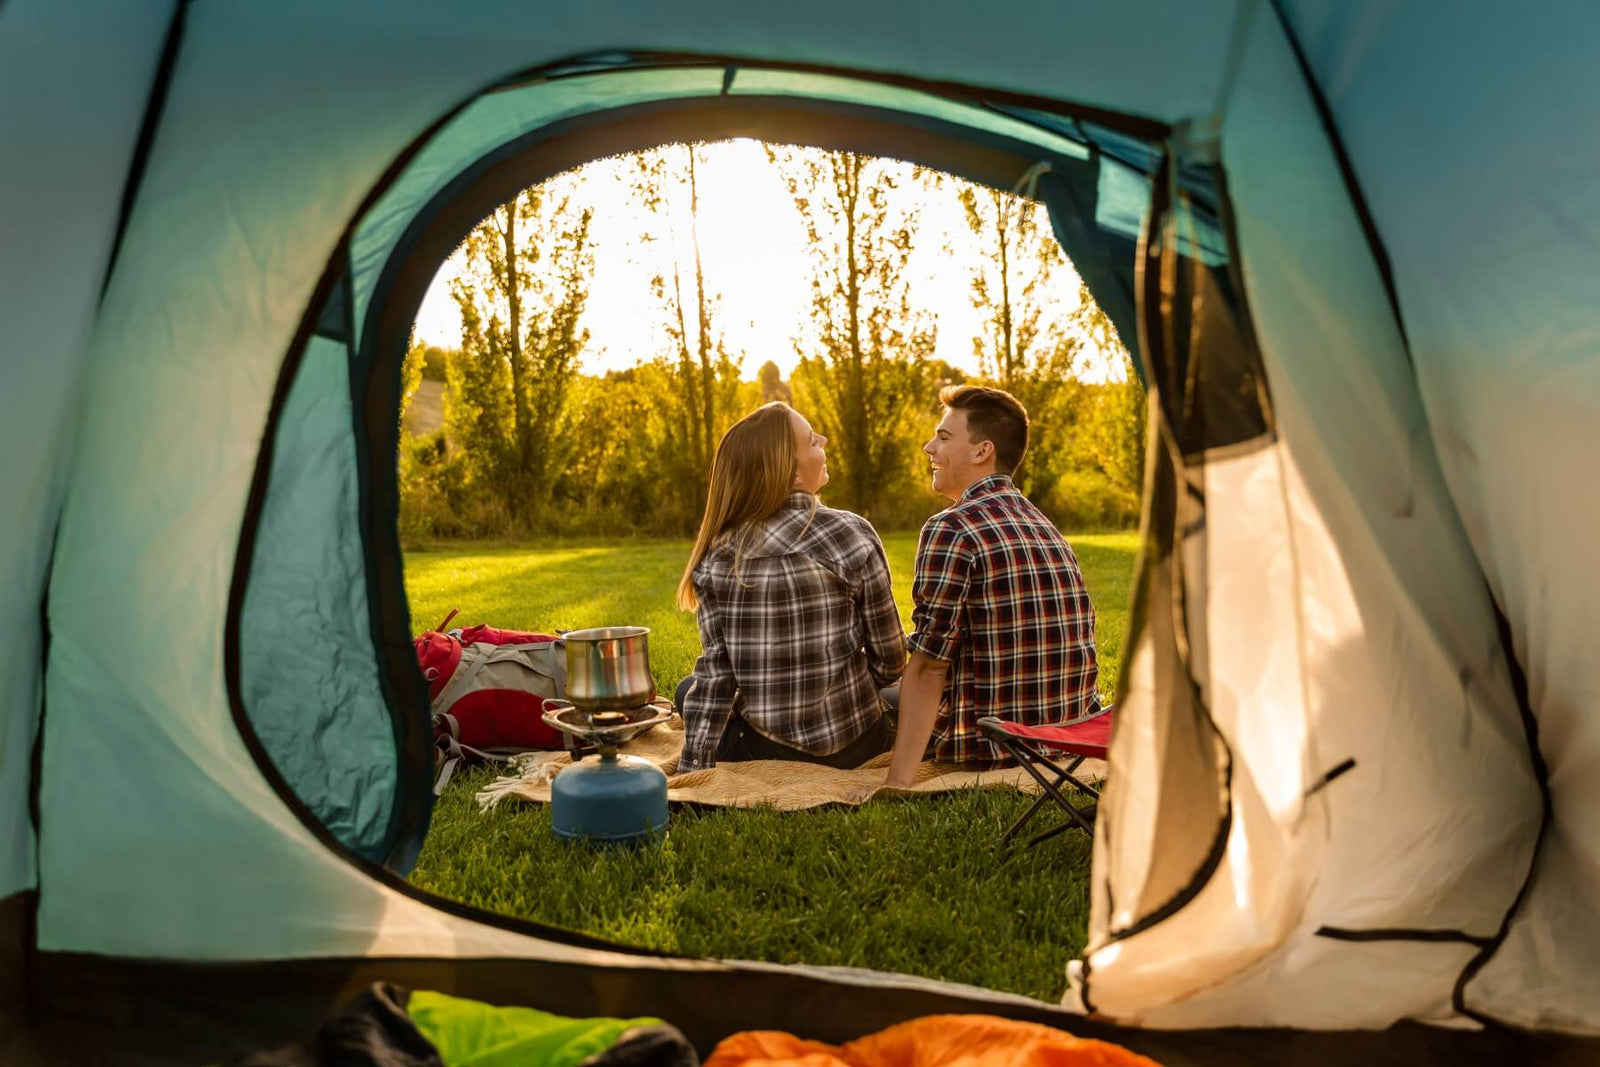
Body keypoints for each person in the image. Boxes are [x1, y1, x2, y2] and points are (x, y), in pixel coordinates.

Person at [879, 385, 1099, 787]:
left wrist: (895, 782)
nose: (929, 447)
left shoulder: (952, 526)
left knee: (877, 695)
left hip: (988, 744)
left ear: (982, 451)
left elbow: (930, 667)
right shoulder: (1043, 525)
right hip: (1061, 738)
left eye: (944, 437)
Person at [674, 402, 906, 771]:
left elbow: (717, 678)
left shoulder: (719, 553)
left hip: (770, 752)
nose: (825, 441)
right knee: (893, 693)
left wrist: (693, 770)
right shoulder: (852, 532)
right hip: (861, 741)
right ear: (793, 472)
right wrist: (854, 686)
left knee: (688, 690)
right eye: (814, 441)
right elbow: (892, 659)